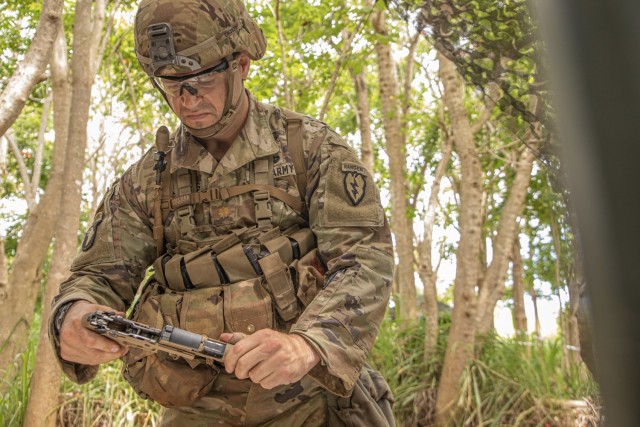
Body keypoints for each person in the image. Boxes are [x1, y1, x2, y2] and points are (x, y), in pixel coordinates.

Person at [48, 0, 395, 425]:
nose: (185, 100)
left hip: (312, 398)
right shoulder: (146, 180)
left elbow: (365, 260)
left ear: (242, 65)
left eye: (200, 80)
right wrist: (74, 315)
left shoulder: (312, 149)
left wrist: (308, 345)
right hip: (195, 405)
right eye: (170, 84)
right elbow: (97, 276)